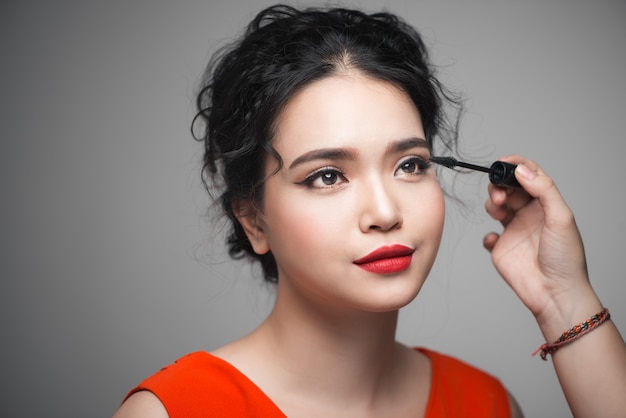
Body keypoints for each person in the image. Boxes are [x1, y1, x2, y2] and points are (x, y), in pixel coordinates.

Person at [114, 4, 626, 417]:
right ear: (253, 218)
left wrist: (565, 300)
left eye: (408, 165)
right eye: (328, 176)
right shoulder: (175, 412)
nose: (385, 212)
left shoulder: (484, 404)